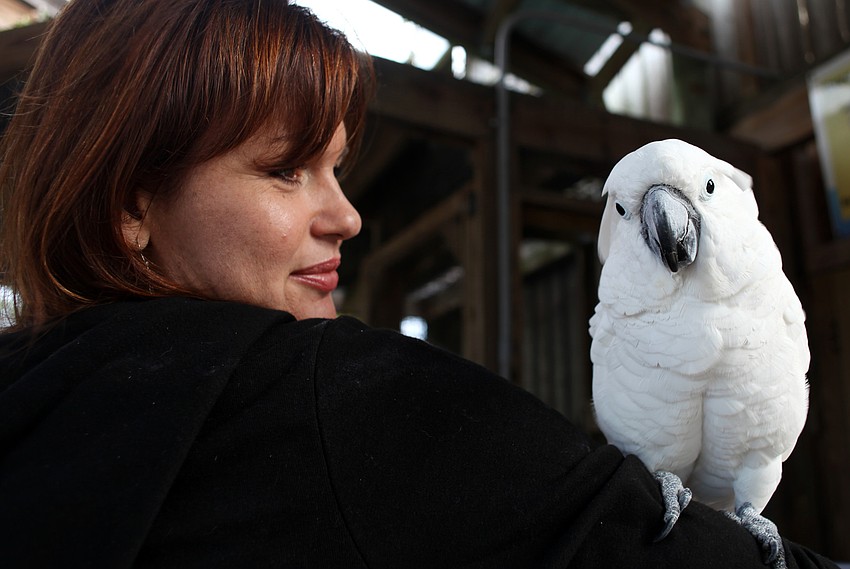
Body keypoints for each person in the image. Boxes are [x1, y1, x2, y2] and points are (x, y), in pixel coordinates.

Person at [0, 1, 839, 568]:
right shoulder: (334, 396)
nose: (348, 216)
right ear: (129, 206)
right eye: (286, 169)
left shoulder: (33, 393)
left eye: (337, 167)